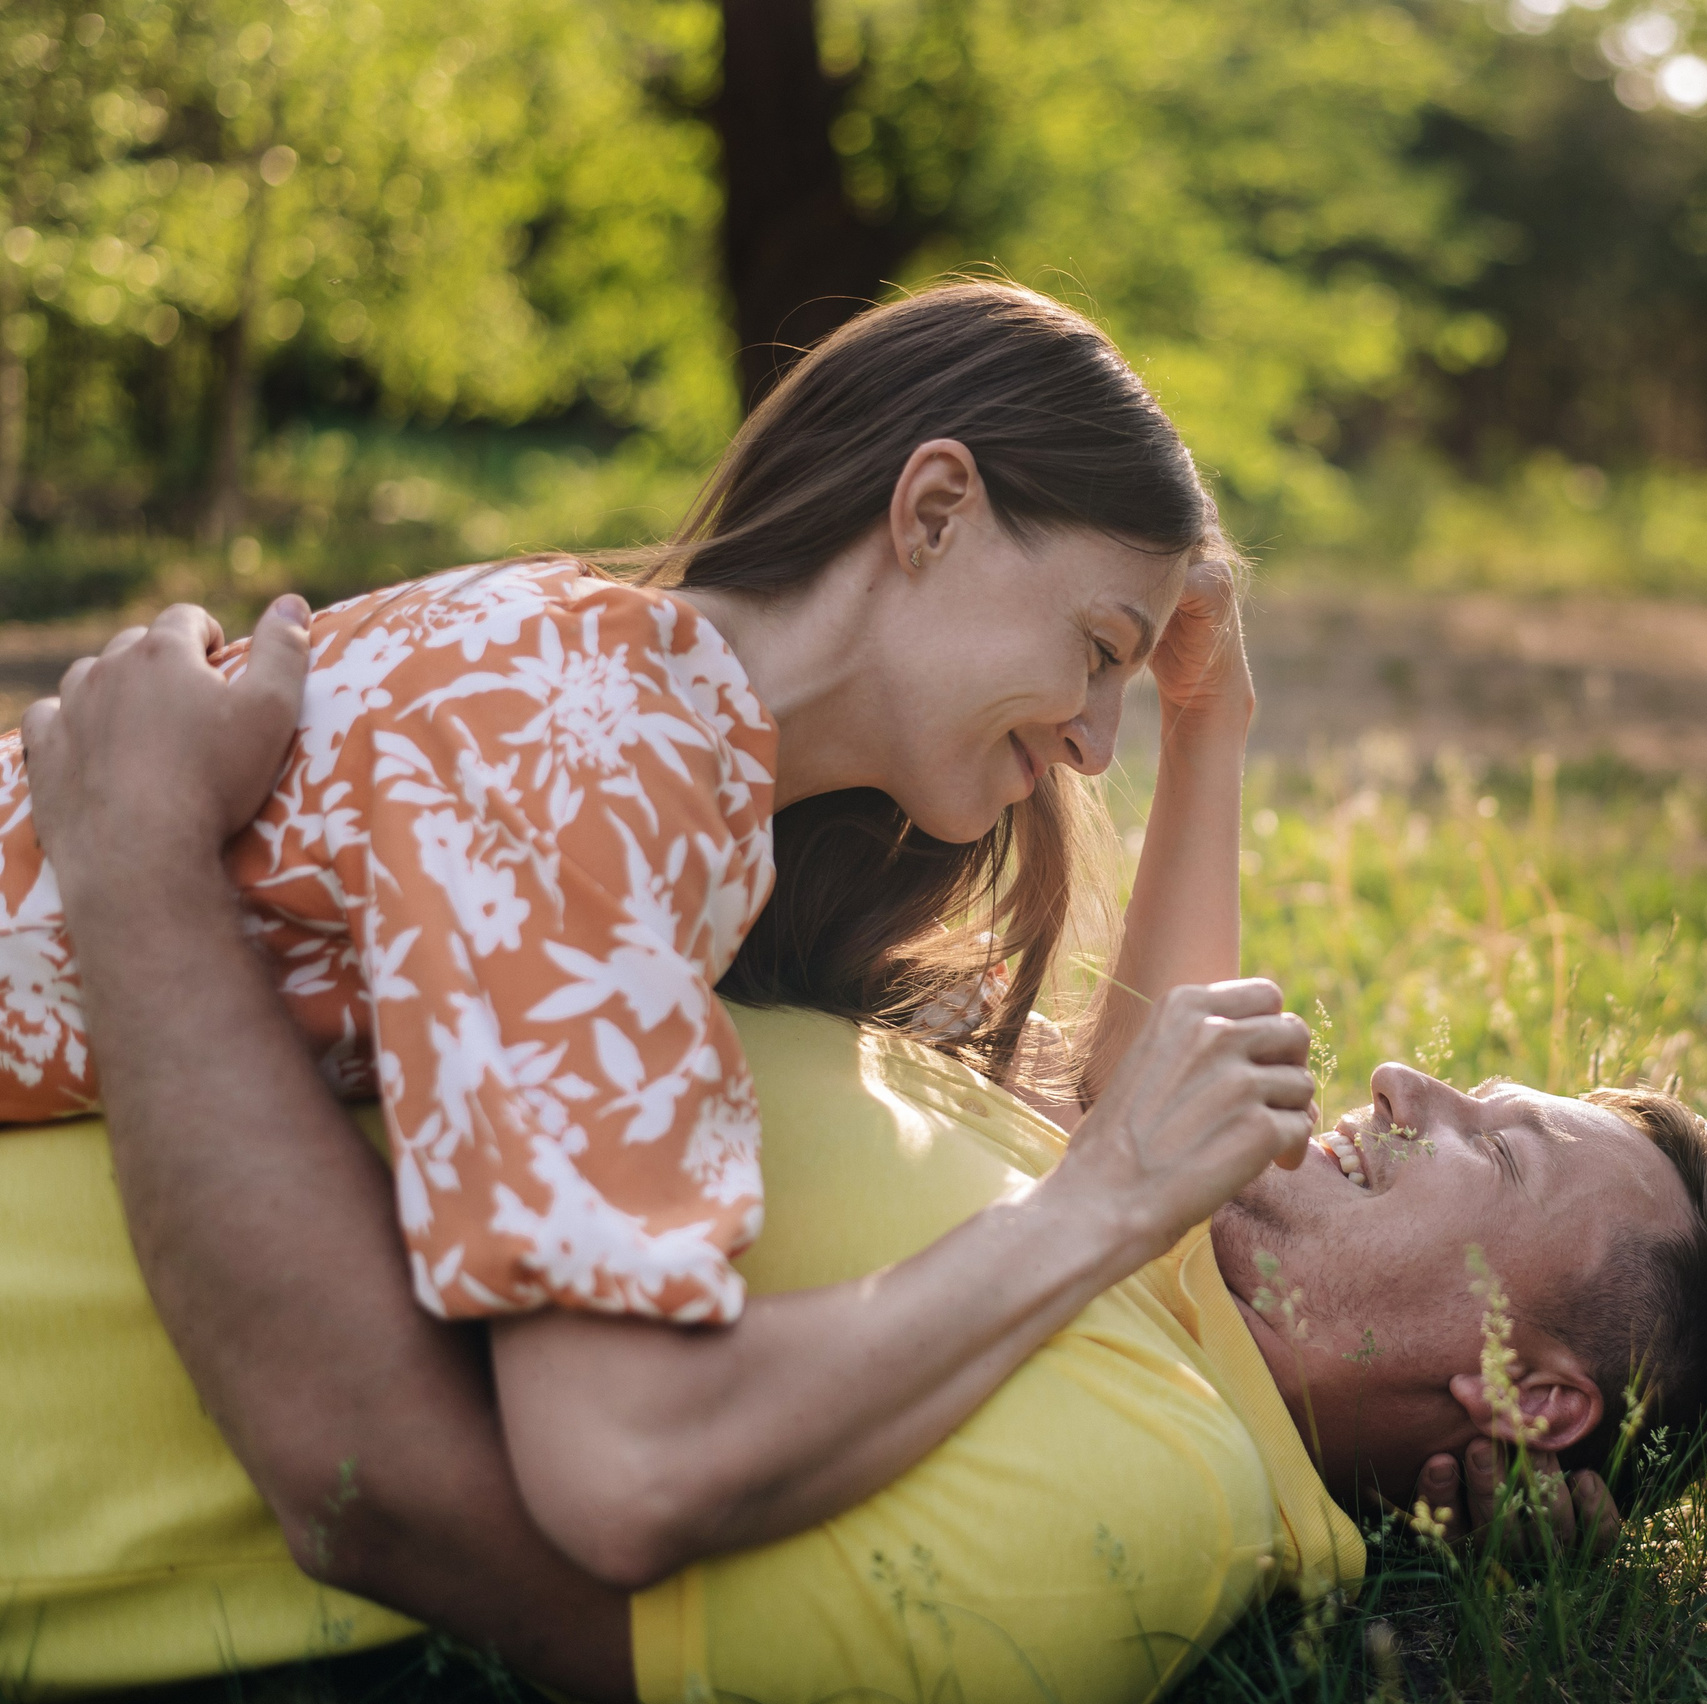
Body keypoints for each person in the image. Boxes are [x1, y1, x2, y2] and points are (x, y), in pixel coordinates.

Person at [1, 609, 1707, 1704]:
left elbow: (399, 1503)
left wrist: (142, 852)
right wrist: (1210, 715)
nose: (1408, 1082)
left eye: (1500, 1150)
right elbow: (1111, 1109)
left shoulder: (1127, 1526)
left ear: (1529, 1396)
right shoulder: (1169, 1283)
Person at [1, 284, 1323, 1594]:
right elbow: (626, 1465)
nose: (1099, 741)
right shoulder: (580, 748)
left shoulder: (687, 773)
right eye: (1098, 649)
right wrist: (1088, 1212)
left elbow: (1144, 1112)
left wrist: (1213, 725)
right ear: (932, 512)